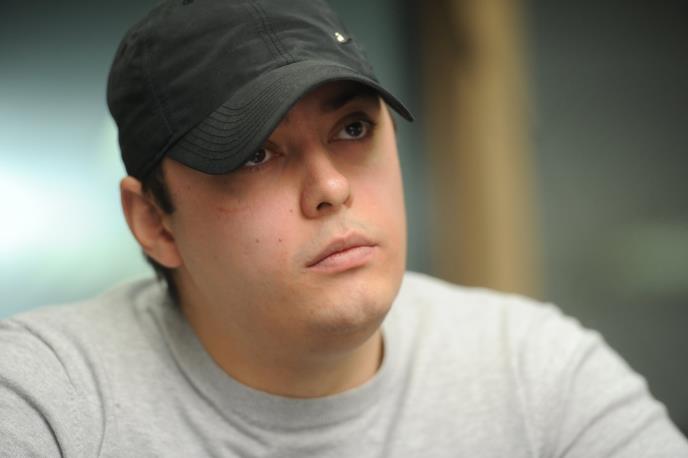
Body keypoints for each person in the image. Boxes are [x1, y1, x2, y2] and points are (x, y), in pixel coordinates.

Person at [1, 0, 686, 456]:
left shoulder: (533, 369)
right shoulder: (48, 396)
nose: (330, 187)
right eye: (254, 154)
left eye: (353, 128)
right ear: (155, 222)